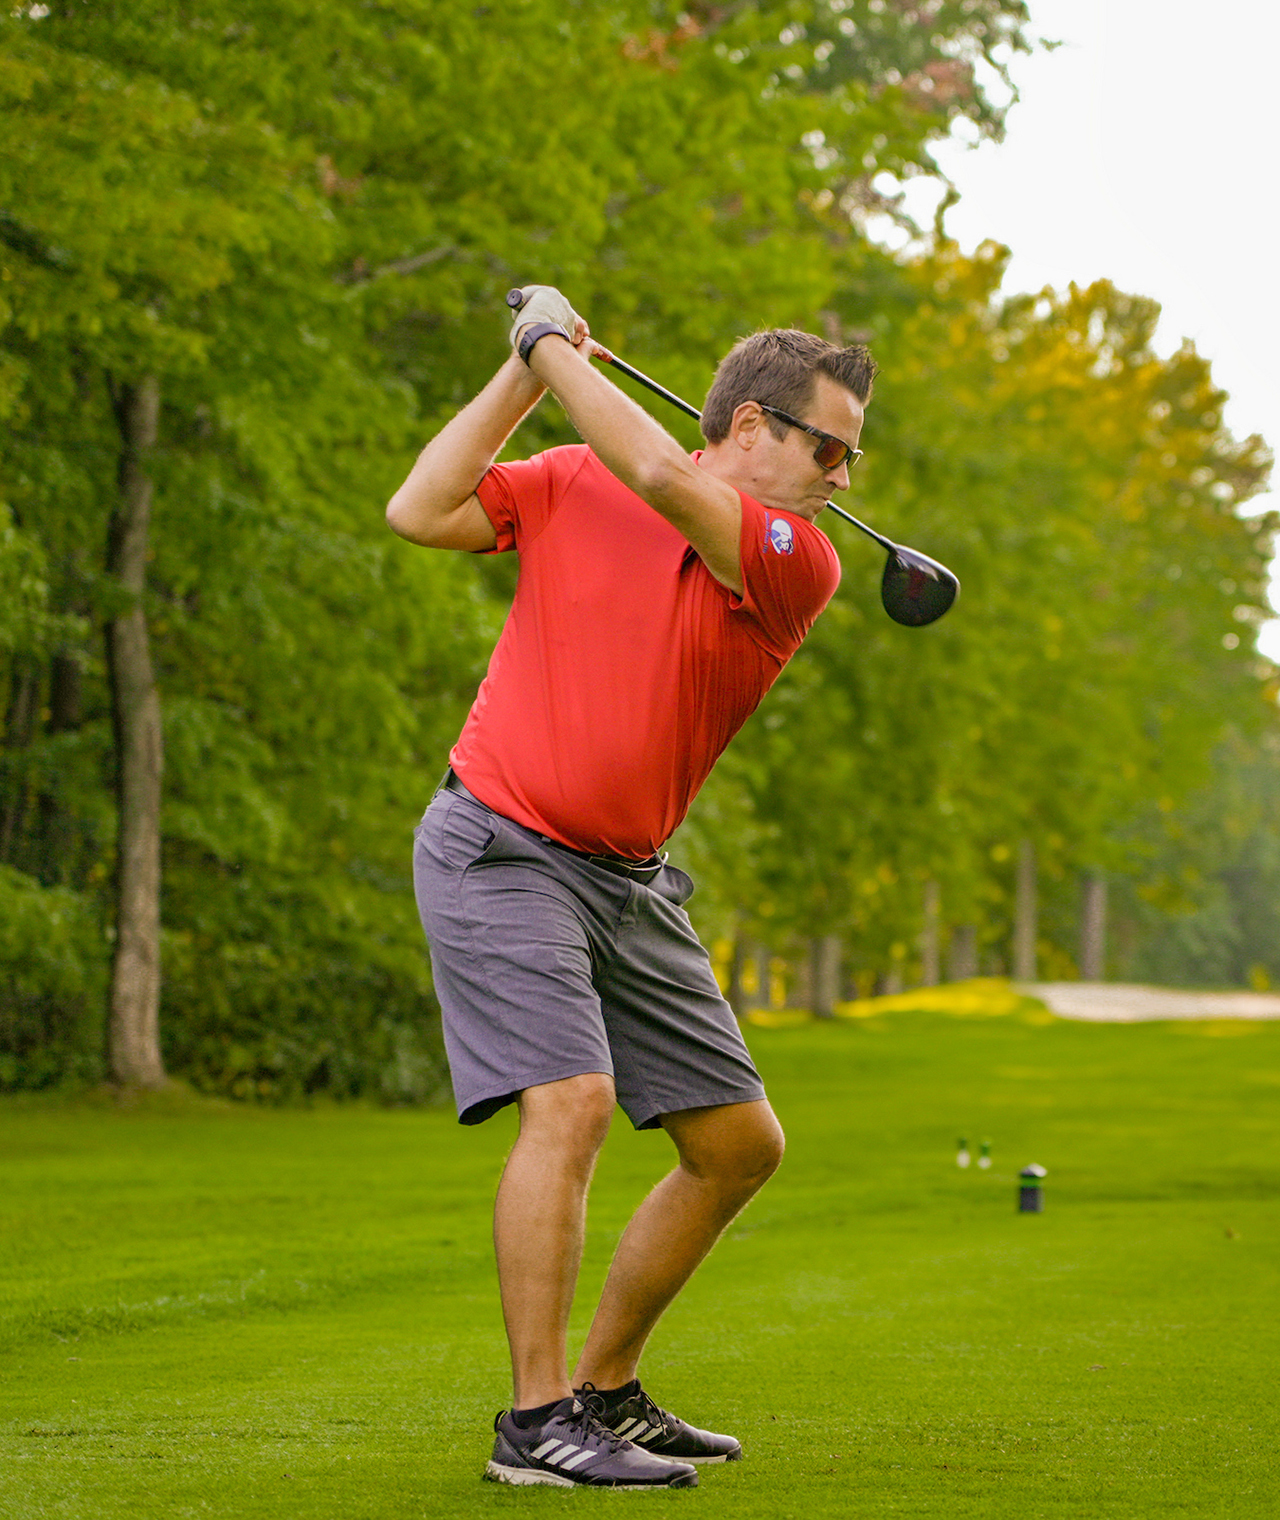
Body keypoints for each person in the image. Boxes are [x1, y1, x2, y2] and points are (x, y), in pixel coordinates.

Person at [386, 286, 876, 1490]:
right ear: (750, 425)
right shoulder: (570, 477)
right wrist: (524, 369)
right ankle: (534, 1423)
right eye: (828, 448)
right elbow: (419, 507)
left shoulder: (792, 558)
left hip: (628, 880)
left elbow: (659, 473)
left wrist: (550, 346)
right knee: (571, 1101)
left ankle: (605, 1388)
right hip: (500, 845)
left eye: (852, 458)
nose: (842, 477)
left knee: (737, 1143)